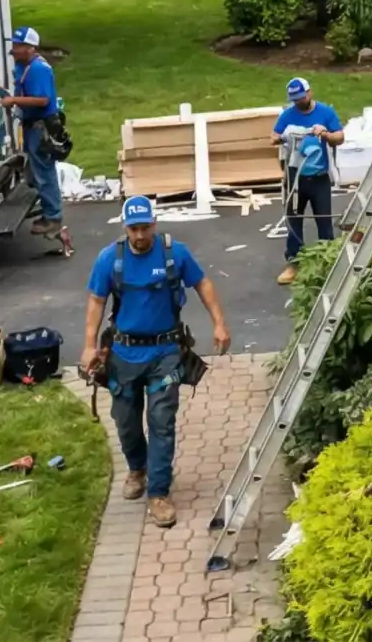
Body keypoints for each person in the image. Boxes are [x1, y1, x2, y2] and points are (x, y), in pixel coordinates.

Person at [82, 195, 230, 527]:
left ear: (154, 223)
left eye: (144, 227)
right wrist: (89, 346)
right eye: (133, 229)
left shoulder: (174, 254)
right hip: (123, 355)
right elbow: (96, 300)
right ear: (125, 227)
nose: (139, 235)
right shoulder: (110, 259)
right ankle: (137, 469)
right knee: (125, 421)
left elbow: (202, 283)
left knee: (162, 421)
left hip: (165, 353)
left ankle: (159, 493)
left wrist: (219, 323)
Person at [270, 77, 344, 286]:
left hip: (319, 177)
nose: (298, 102)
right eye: (294, 99)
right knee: (293, 221)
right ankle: (294, 263)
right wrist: (282, 137)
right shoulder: (288, 115)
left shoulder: (325, 113)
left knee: (324, 221)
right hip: (295, 178)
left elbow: (340, 137)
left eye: (301, 98)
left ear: (309, 93)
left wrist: (326, 134)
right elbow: (273, 136)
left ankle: (327, 262)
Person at [0, 26, 64, 235]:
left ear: (30, 48)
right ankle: (48, 212)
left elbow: (43, 99)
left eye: (18, 46)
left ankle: (53, 218)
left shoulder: (39, 70)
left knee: (44, 172)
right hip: (32, 127)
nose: (13, 50)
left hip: (40, 128)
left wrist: (14, 100)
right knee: (37, 172)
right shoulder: (23, 65)